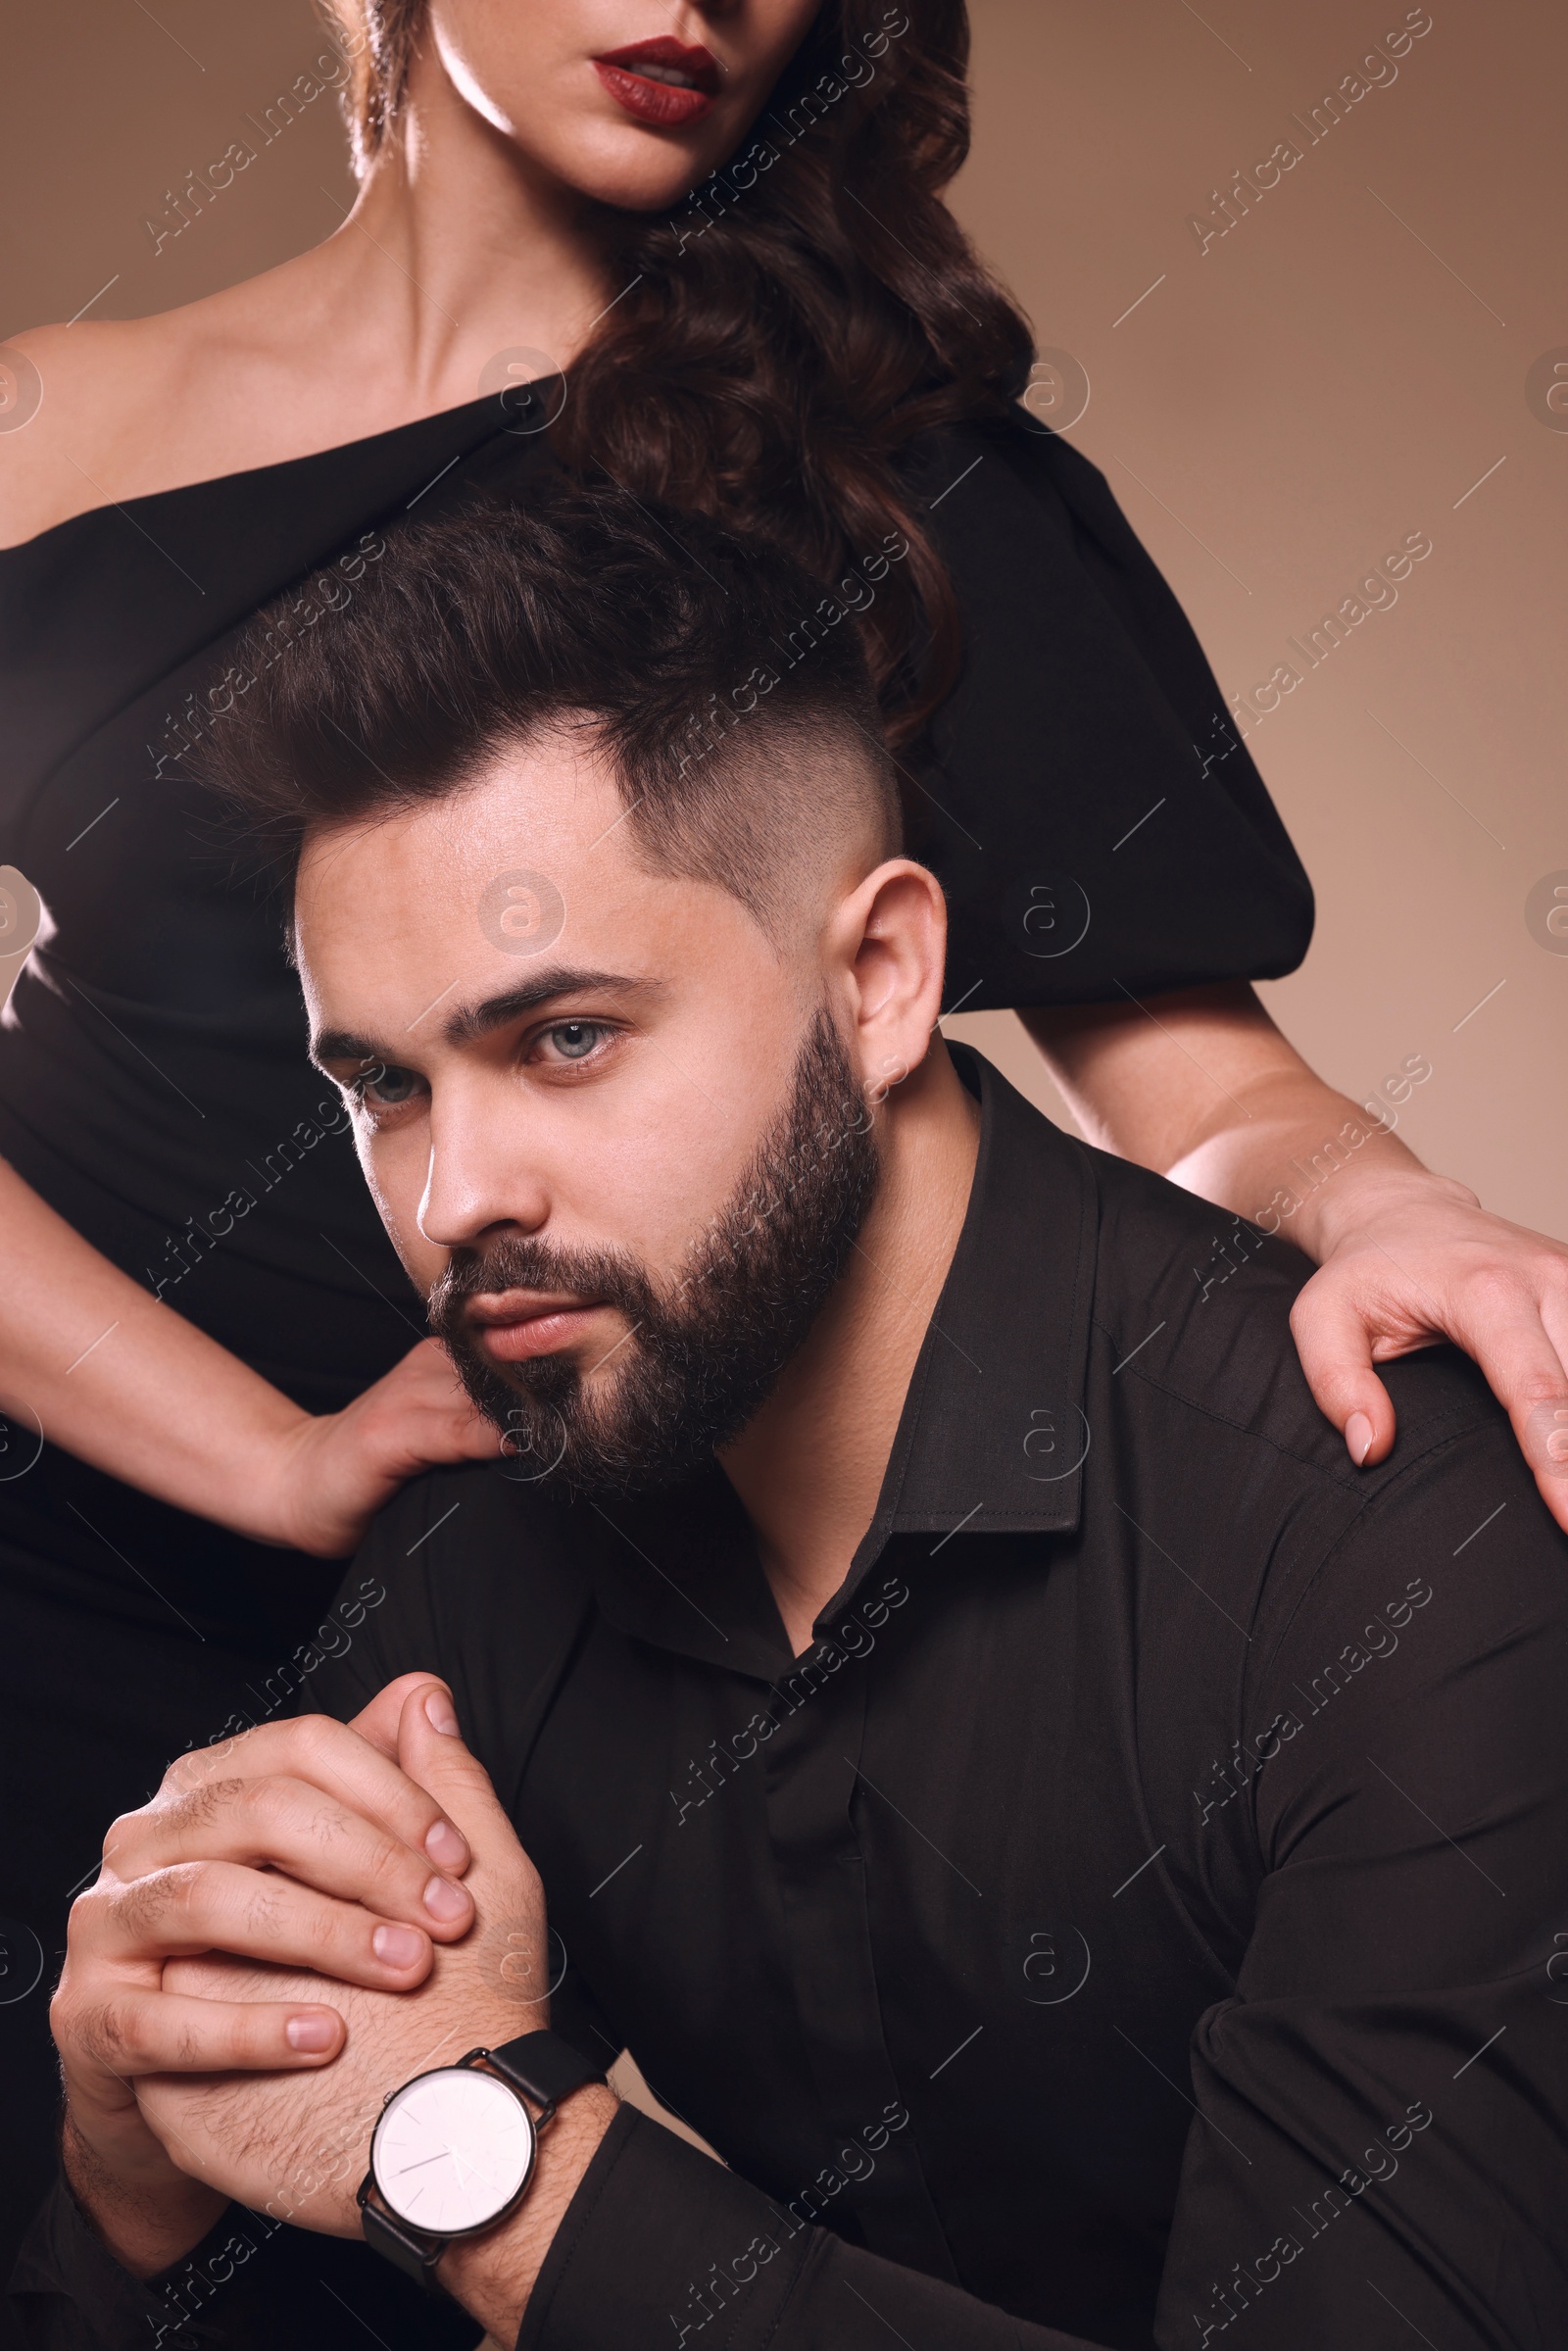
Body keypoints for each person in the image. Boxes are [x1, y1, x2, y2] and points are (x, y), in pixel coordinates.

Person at [3, 0, 1567, 2286]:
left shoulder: (869, 471)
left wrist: (1390, 1211)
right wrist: (249, 1451)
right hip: (67, 1558)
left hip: (551, 1599)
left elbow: (1198, 1089)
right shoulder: (41, 422)